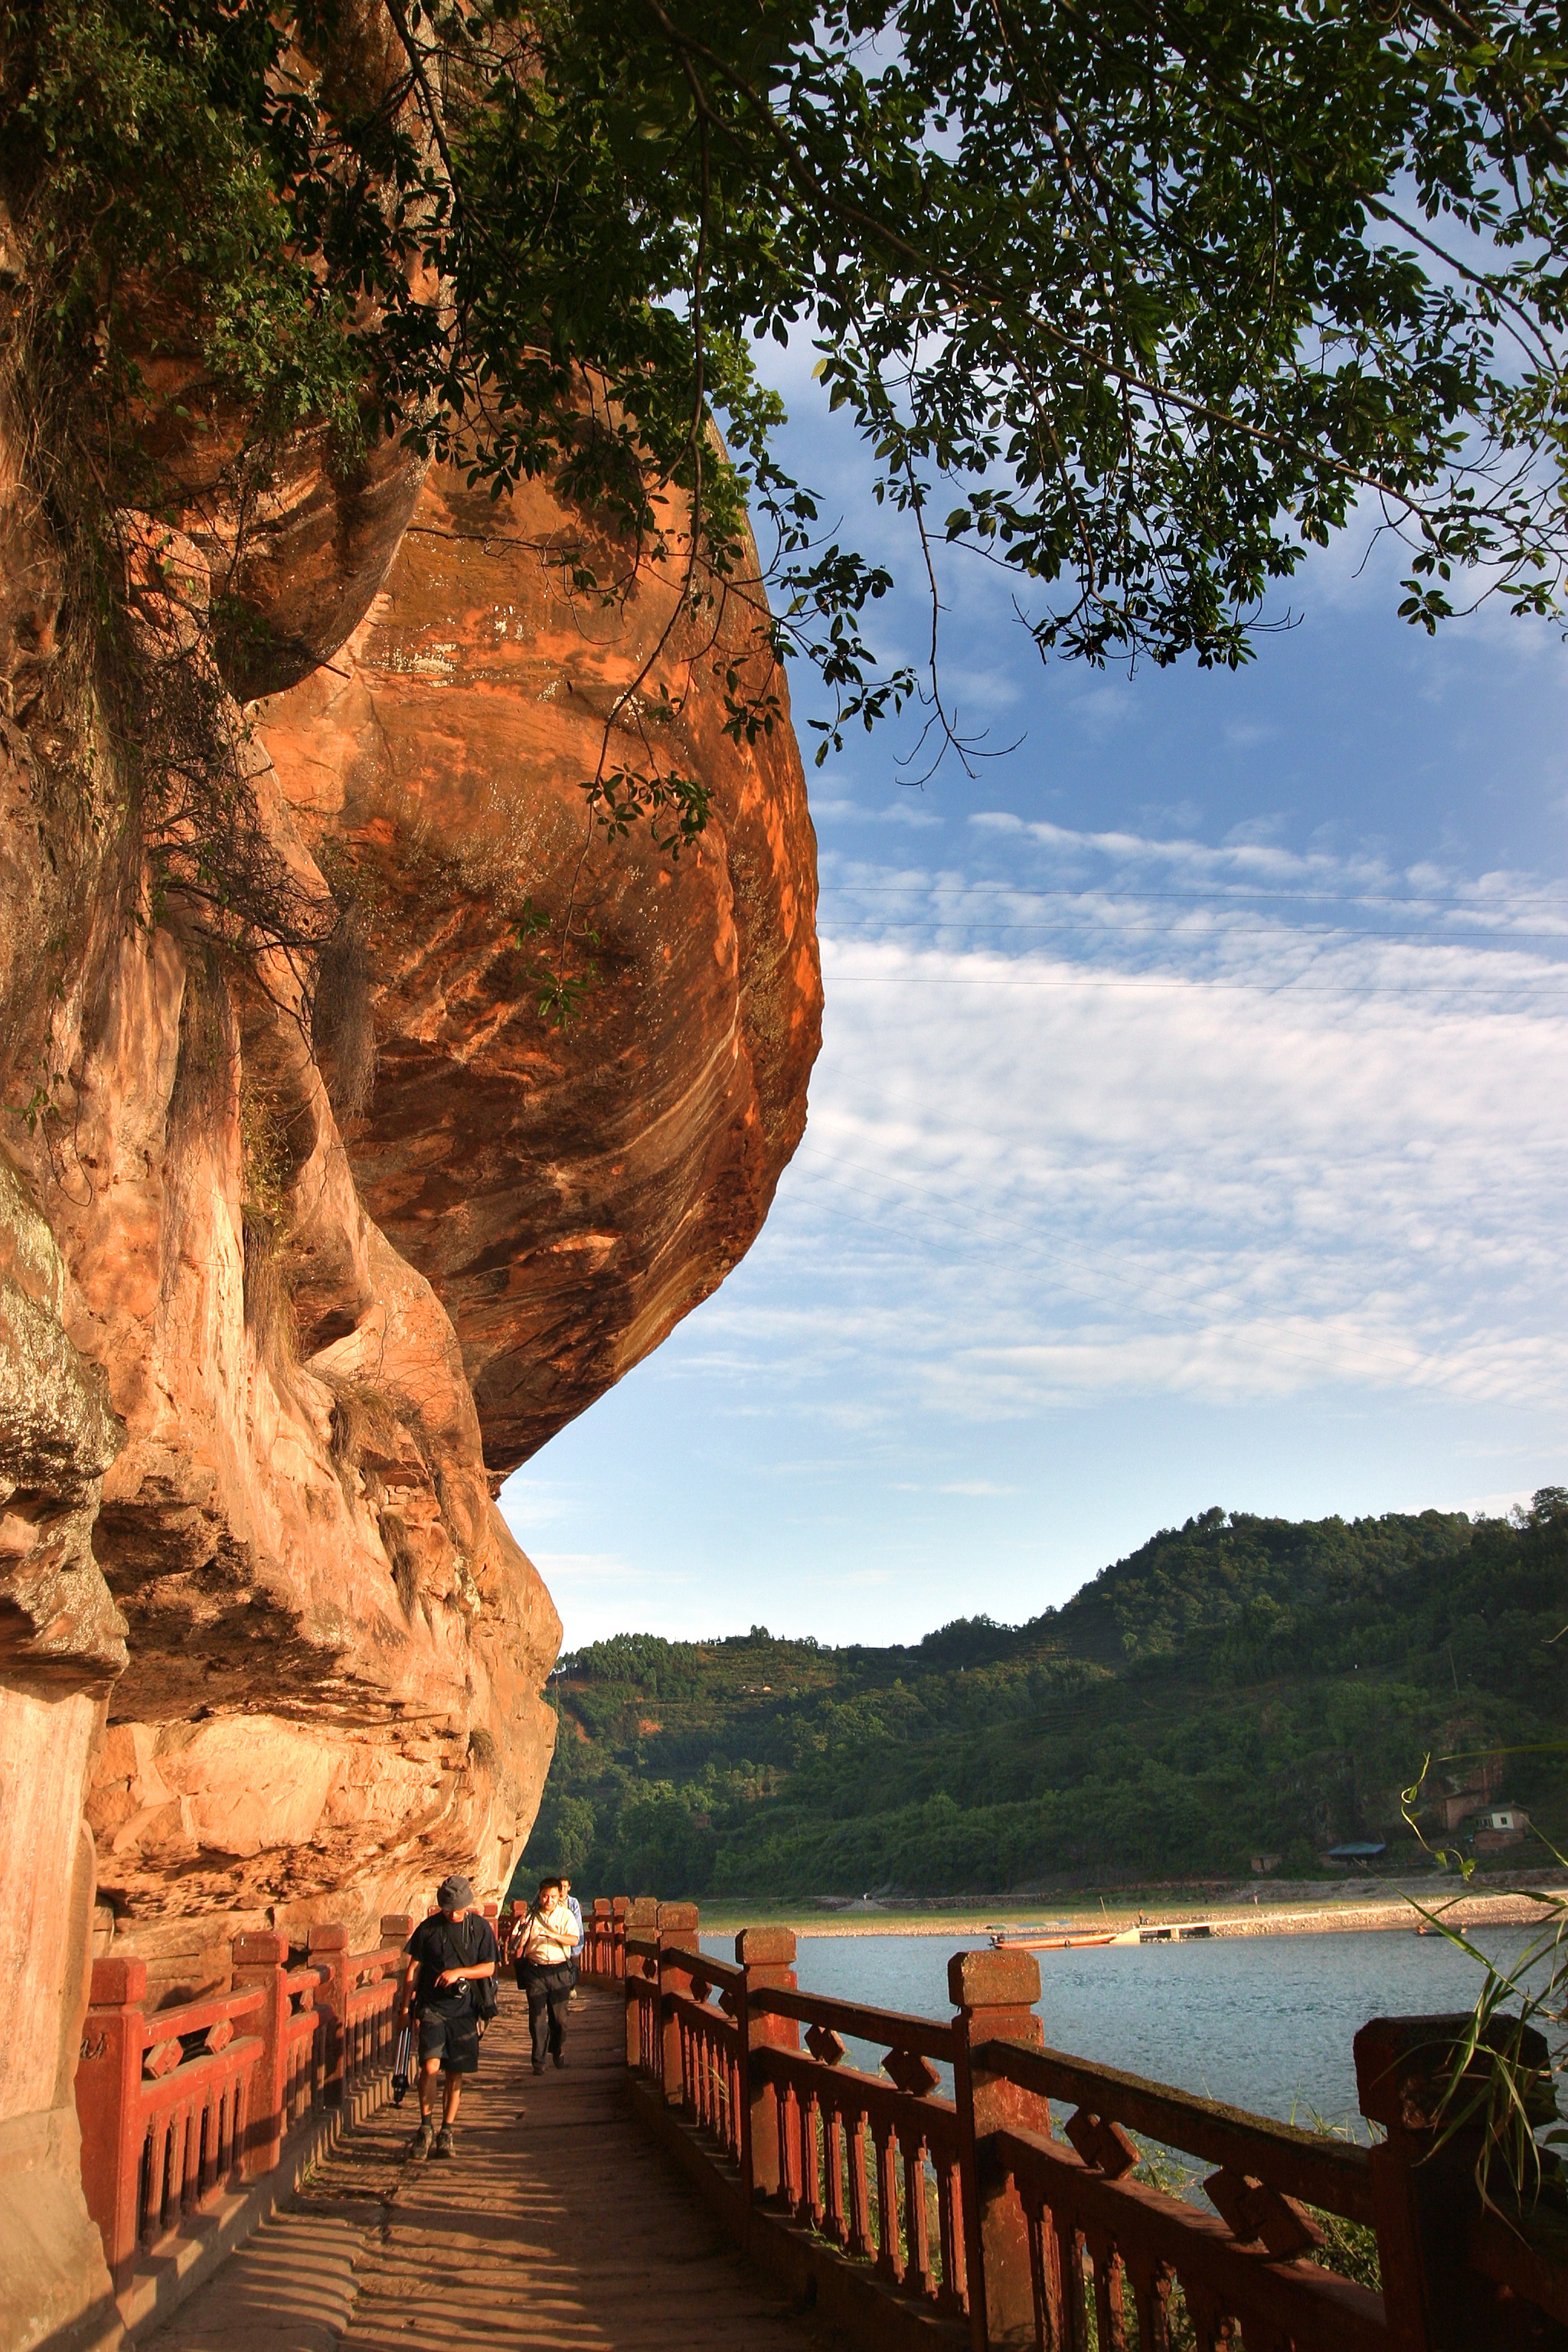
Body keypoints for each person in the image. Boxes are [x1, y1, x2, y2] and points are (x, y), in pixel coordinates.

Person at [397, 1873, 498, 2159]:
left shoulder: (478, 1928)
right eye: (447, 1908)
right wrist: (405, 2009)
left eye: (457, 1908)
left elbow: (489, 1967)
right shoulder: (429, 1929)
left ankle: (447, 2130)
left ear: (466, 1905)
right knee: (429, 2067)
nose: (452, 1913)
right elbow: (413, 1970)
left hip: (465, 2010)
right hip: (432, 2008)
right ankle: (425, 2126)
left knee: (456, 2073)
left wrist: (459, 1973)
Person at [513, 1875, 580, 2073]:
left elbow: (574, 1940)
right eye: (544, 1896)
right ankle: (539, 2062)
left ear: (559, 1896)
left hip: (559, 1970)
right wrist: (522, 1928)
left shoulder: (566, 1915)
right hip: (536, 1970)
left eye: (552, 1896)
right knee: (537, 2019)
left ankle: (557, 2048)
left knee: (559, 2020)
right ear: (539, 1896)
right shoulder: (531, 1916)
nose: (548, 1901)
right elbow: (517, 1941)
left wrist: (554, 1935)